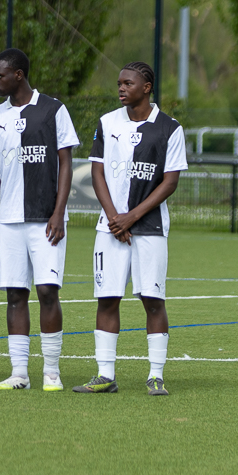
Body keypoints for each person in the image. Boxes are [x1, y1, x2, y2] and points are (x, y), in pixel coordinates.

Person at [72, 62, 187, 396]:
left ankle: (155, 375)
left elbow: (170, 181)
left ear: (146, 87)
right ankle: (105, 375)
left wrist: (131, 217)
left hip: (149, 228)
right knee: (107, 299)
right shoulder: (107, 123)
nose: (121, 88)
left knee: (153, 299)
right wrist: (114, 219)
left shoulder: (170, 128)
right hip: (110, 228)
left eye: (128, 83)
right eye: (119, 83)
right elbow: (97, 173)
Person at [0, 48, 78, 391]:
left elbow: (65, 162)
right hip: (8, 221)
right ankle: (19, 373)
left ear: (18, 74)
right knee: (14, 294)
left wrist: (58, 211)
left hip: (44, 219)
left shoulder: (53, 109)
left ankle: (52, 371)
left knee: (48, 291)